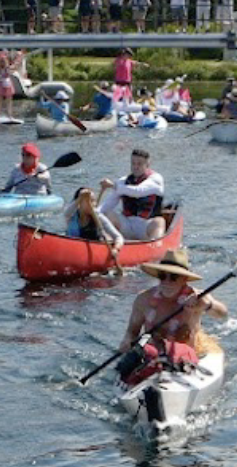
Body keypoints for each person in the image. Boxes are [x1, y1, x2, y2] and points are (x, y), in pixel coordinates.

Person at [115, 249, 227, 386]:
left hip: (187, 355)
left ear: (184, 279)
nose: (167, 282)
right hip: (154, 355)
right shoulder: (143, 299)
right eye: (163, 276)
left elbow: (223, 314)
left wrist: (208, 305)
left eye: (173, 277)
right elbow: (132, 331)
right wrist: (127, 341)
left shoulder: (197, 298)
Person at [98, 147, 166, 242]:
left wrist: (113, 186)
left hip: (146, 225)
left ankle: (155, 246)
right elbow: (108, 204)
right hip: (127, 224)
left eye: (139, 164)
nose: (135, 167)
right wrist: (94, 213)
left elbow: (138, 191)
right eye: (133, 163)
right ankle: (107, 243)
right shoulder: (122, 181)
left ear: (147, 164)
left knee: (159, 221)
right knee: (106, 214)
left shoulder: (156, 179)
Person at [64, 186, 124, 263]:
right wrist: (80, 198)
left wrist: (116, 249)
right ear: (79, 203)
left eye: (93, 201)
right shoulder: (71, 215)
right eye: (88, 201)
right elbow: (66, 213)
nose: (93, 204)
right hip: (72, 249)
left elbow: (119, 237)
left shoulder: (98, 216)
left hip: (92, 250)